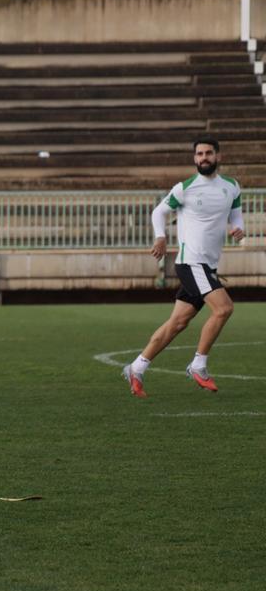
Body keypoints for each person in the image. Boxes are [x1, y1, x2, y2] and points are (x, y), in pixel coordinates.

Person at [122, 137, 244, 398]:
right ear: (194, 159)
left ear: (218, 156)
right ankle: (198, 365)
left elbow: (235, 213)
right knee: (224, 308)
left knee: (177, 323)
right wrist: (161, 236)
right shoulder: (185, 188)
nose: (203, 158)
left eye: (208, 153)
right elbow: (159, 212)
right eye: (199, 154)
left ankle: (137, 367)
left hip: (207, 266)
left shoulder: (232, 187)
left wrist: (237, 227)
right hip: (191, 263)